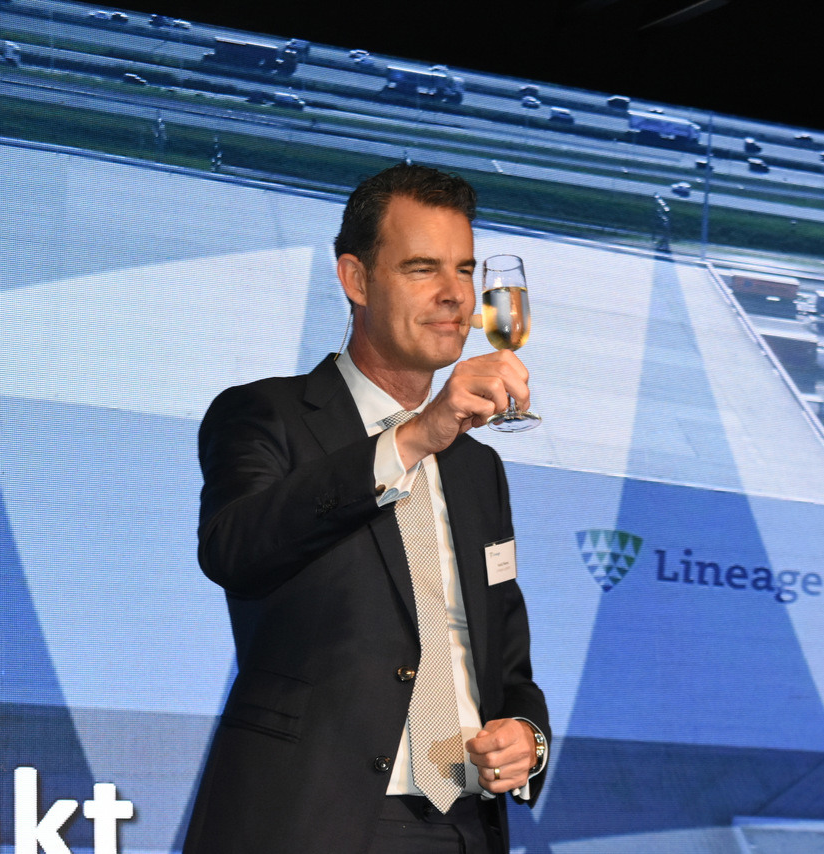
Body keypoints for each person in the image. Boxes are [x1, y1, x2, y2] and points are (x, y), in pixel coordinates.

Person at [184, 164, 550, 853]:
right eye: (421, 268)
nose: (454, 295)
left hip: (465, 828)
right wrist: (412, 437)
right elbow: (235, 550)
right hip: (311, 823)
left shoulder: (479, 469)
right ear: (356, 279)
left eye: (464, 270)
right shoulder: (266, 414)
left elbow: (507, 670)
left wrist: (526, 739)